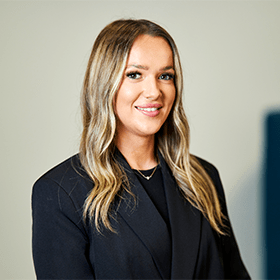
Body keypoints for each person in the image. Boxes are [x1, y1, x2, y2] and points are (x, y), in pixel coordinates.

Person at [32, 19, 250, 279]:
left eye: (165, 76)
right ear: (105, 84)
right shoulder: (60, 192)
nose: (154, 91)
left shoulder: (203, 177)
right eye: (134, 74)